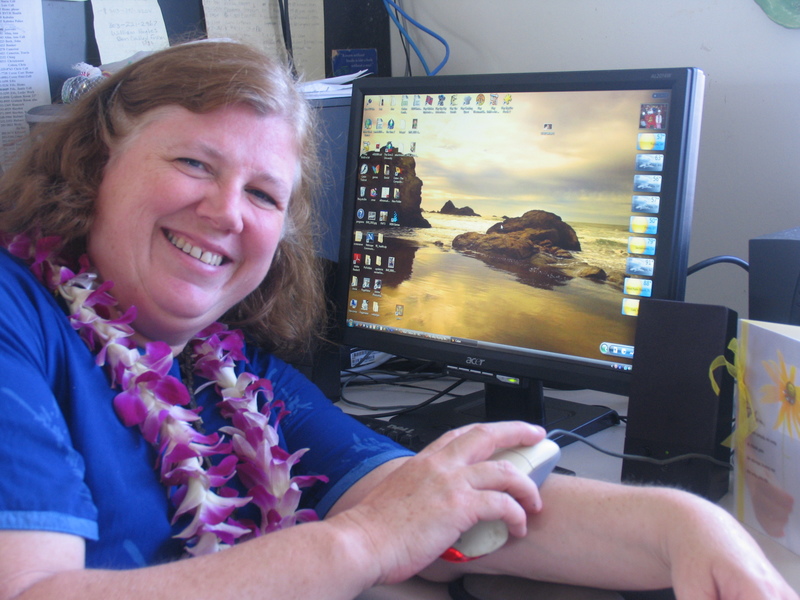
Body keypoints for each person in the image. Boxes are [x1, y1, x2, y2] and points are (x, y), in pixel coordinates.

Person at [0, 40, 795, 600]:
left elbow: (441, 505)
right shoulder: (17, 322)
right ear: (97, 162)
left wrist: (688, 530)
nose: (224, 212)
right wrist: (369, 543)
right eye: (193, 162)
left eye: (264, 195)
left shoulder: (236, 378)